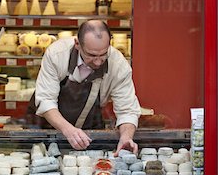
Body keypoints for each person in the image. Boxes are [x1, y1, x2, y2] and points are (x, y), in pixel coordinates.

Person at [28, 19, 141, 155]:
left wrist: (126, 137)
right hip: (46, 125)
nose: (98, 62)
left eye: (103, 54)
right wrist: (68, 130)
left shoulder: (118, 64)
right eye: (92, 55)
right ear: (77, 44)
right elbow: (46, 100)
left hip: (88, 125)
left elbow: (127, 111)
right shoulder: (57, 54)